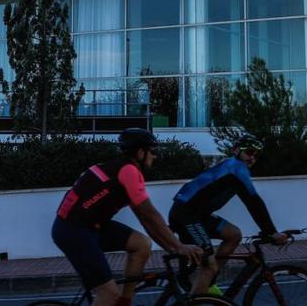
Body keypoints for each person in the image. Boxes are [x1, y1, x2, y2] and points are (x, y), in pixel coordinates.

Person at [51, 128, 204, 306]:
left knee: (141, 244)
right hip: (73, 231)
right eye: (153, 151)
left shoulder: (121, 169)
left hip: (91, 227)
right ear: (140, 152)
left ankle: (124, 302)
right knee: (108, 295)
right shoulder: (129, 171)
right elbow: (150, 214)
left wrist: (172, 249)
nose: (155, 156)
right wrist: (178, 245)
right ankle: (116, 300)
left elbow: (145, 219)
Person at [168, 135, 288, 295]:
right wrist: (272, 232)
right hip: (187, 215)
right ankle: (205, 282)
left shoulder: (231, 167)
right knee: (208, 265)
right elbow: (253, 202)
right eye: (250, 152)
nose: (252, 158)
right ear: (236, 151)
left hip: (197, 215)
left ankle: (208, 283)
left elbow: (251, 202)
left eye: (256, 155)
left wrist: (269, 231)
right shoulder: (236, 167)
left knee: (234, 234)